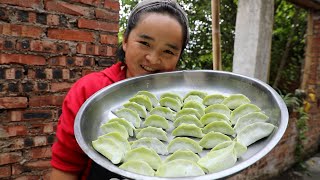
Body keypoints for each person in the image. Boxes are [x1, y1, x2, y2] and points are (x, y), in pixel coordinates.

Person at [50, 0, 190, 179]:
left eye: (168, 52)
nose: (153, 59)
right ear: (125, 40)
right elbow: (65, 168)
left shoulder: (184, 102)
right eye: (145, 43)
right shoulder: (90, 91)